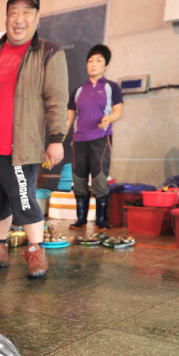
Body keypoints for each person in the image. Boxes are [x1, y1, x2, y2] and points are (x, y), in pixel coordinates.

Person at [0, 0, 68, 279]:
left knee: (24, 200)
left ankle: (36, 251)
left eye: (26, 12)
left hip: (21, 145)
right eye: (14, 12)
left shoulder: (49, 52)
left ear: (37, 17)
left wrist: (56, 139)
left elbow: (57, 98)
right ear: (6, 17)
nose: (19, 19)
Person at [67, 44, 123, 230]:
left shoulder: (111, 87)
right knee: (79, 180)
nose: (93, 64)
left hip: (100, 138)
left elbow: (118, 111)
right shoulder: (78, 91)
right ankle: (81, 219)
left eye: (99, 60)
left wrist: (109, 119)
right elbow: (69, 117)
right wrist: (58, 139)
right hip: (79, 140)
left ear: (106, 65)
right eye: (90, 60)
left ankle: (101, 220)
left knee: (99, 179)